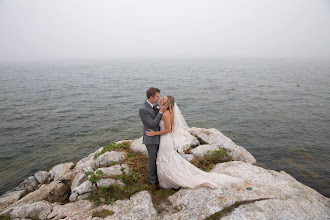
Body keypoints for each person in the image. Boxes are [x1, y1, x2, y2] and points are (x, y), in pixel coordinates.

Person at [146, 95, 244, 189]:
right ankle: (168, 177)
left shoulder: (166, 114)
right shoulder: (168, 113)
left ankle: (172, 179)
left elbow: (167, 130)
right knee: (168, 159)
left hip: (165, 140)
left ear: (167, 103)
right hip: (166, 139)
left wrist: (154, 133)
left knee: (166, 158)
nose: (161, 99)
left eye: (163, 98)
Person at [139, 87, 168, 190]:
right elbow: (152, 123)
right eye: (157, 96)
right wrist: (161, 112)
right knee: (152, 160)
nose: (158, 98)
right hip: (150, 138)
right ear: (151, 97)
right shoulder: (143, 109)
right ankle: (153, 182)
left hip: (159, 136)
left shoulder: (154, 105)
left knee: (160, 158)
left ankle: (162, 177)